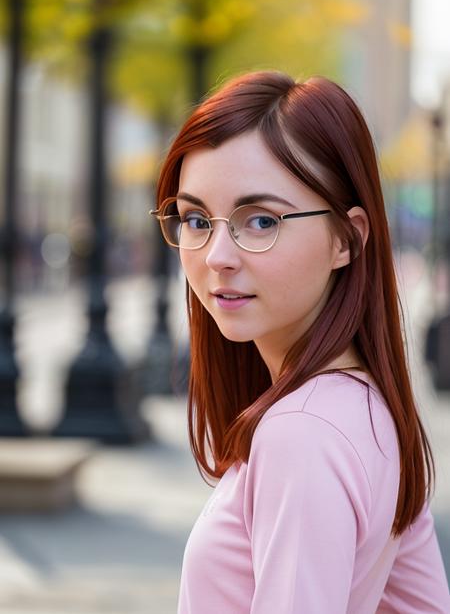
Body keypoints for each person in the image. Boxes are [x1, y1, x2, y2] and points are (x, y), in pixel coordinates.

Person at [150, 71, 450, 613]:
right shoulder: (374, 409)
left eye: (261, 220)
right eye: (196, 219)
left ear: (347, 238)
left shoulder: (303, 433)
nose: (217, 255)